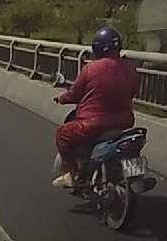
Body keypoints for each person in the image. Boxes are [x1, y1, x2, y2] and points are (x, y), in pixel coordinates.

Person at [51, 26, 139, 189]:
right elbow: (133, 92)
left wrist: (62, 98)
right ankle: (133, 175)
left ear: (97, 48)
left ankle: (73, 175)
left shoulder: (91, 68)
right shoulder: (130, 68)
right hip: (124, 121)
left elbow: (74, 94)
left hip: (94, 123)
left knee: (62, 133)